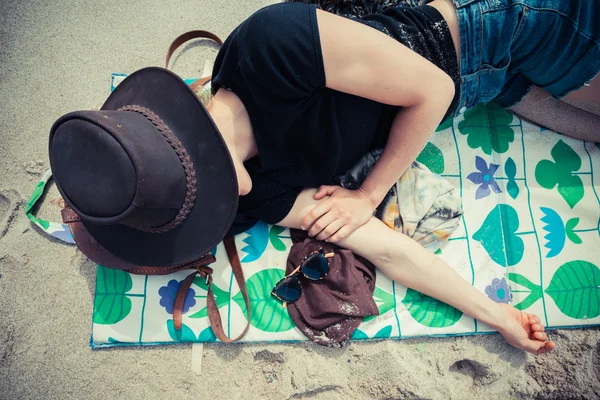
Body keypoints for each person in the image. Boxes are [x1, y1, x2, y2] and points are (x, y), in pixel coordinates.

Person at [51, 0, 599, 354]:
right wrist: (494, 312)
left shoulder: (269, 44)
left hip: (500, 26)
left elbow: (435, 90)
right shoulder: (259, 186)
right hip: (492, 89)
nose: (215, 220)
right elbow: (382, 248)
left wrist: (368, 193)